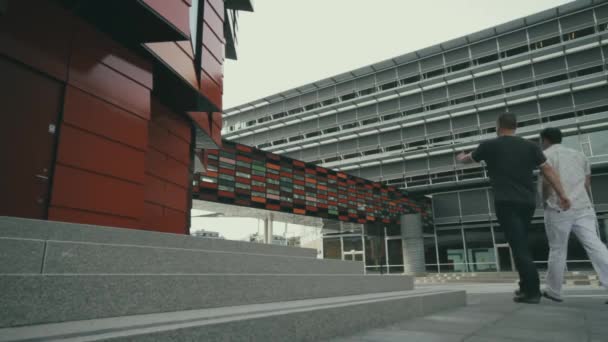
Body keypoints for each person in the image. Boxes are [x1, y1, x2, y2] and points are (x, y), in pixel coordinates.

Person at [457, 113, 570, 304]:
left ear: (498, 125)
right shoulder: (530, 146)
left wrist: (460, 156)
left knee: (518, 246)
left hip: (506, 203)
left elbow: (468, 159)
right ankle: (525, 287)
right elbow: (548, 170)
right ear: (515, 126)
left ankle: (532, 291)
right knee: (521, 243)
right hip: (527, 203)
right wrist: (562, 194)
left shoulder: (489, 145)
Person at [539, 127, 608, 304]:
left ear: (545, 140)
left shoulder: (546, 156)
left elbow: (547, 183)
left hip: (558, 207)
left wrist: (544, 201)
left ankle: (554, 291)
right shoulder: (580, 155)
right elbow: (587, 183)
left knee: (558, 249)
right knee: (595, 245)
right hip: (583, 206)